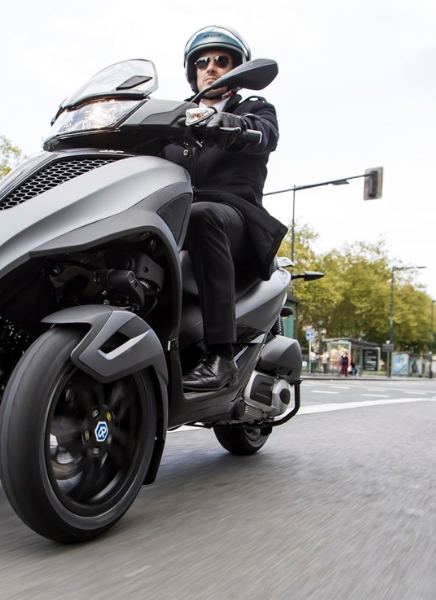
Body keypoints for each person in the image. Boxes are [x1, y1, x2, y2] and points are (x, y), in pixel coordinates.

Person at [162, 26, 287, 390]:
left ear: (237, 69)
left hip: (234, 220)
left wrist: (227, 123)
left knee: (202, 215)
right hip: (175, 219)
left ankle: (220, 356)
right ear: (193, 71)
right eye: (202, 62)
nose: (211, 67)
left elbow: (265, 133)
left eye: (221, 60)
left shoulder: (253, 109)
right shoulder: (173, 117)